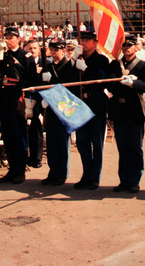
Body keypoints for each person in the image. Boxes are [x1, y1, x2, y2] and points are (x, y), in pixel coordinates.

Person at [0, 27, 37, 184]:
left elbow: (31, 82)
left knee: (19, 137)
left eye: (12, 37)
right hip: (5, 100)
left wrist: (29, 106)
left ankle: (20, 171)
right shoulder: (3, 55)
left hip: (18, 100)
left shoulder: (25, 57)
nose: (9, 39)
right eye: (7, 37)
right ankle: (12, 170)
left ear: (19, 39)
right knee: (8, 137)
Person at [108, 34, 145, 193]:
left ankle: (134, 180)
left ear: (136, 47)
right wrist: (121, 81)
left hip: (134, 110)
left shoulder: (142, 66)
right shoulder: (115, 65)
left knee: (135, 147)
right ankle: (124, 180)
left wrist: (133, 83)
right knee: (123, 147)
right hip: (119, 110)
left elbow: (144, 85)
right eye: (124, 46)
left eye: (130, 46)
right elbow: (111, 84)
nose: (126, 49)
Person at [73, 31, 110, 190]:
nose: (84, 43)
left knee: (96, 142)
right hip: (80, 103)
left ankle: (95, 177)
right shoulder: (77, 59)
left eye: (87, 40)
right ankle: (86, 174)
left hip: (95, 104)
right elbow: (68, 78)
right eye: (81, 40)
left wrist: (86, 69)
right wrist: (73, 60)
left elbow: (101, 81)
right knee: (82, 142)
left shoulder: (101, 59)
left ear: (95, 43)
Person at [40, 37, 78, 186]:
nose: (53, 53)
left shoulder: (69, 66)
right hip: (50, 109)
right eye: (51, 50)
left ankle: (62, 173)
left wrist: (52, 82)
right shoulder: (47, 66)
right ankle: (52, 172)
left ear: (63, 51)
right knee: (51, 142)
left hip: (63, 108)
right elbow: (41, 85)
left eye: (56, 50)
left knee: (62, 142)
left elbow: (69, 88)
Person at [24, 39, 44, 169]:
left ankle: (36, 158)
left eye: (35, 48)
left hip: (40, 100)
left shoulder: (45, 63)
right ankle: (26, 157)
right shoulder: (24, 62)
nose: (32, 51)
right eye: (30, 48)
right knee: (25, 130)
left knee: (37, 131)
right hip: (26, 100)